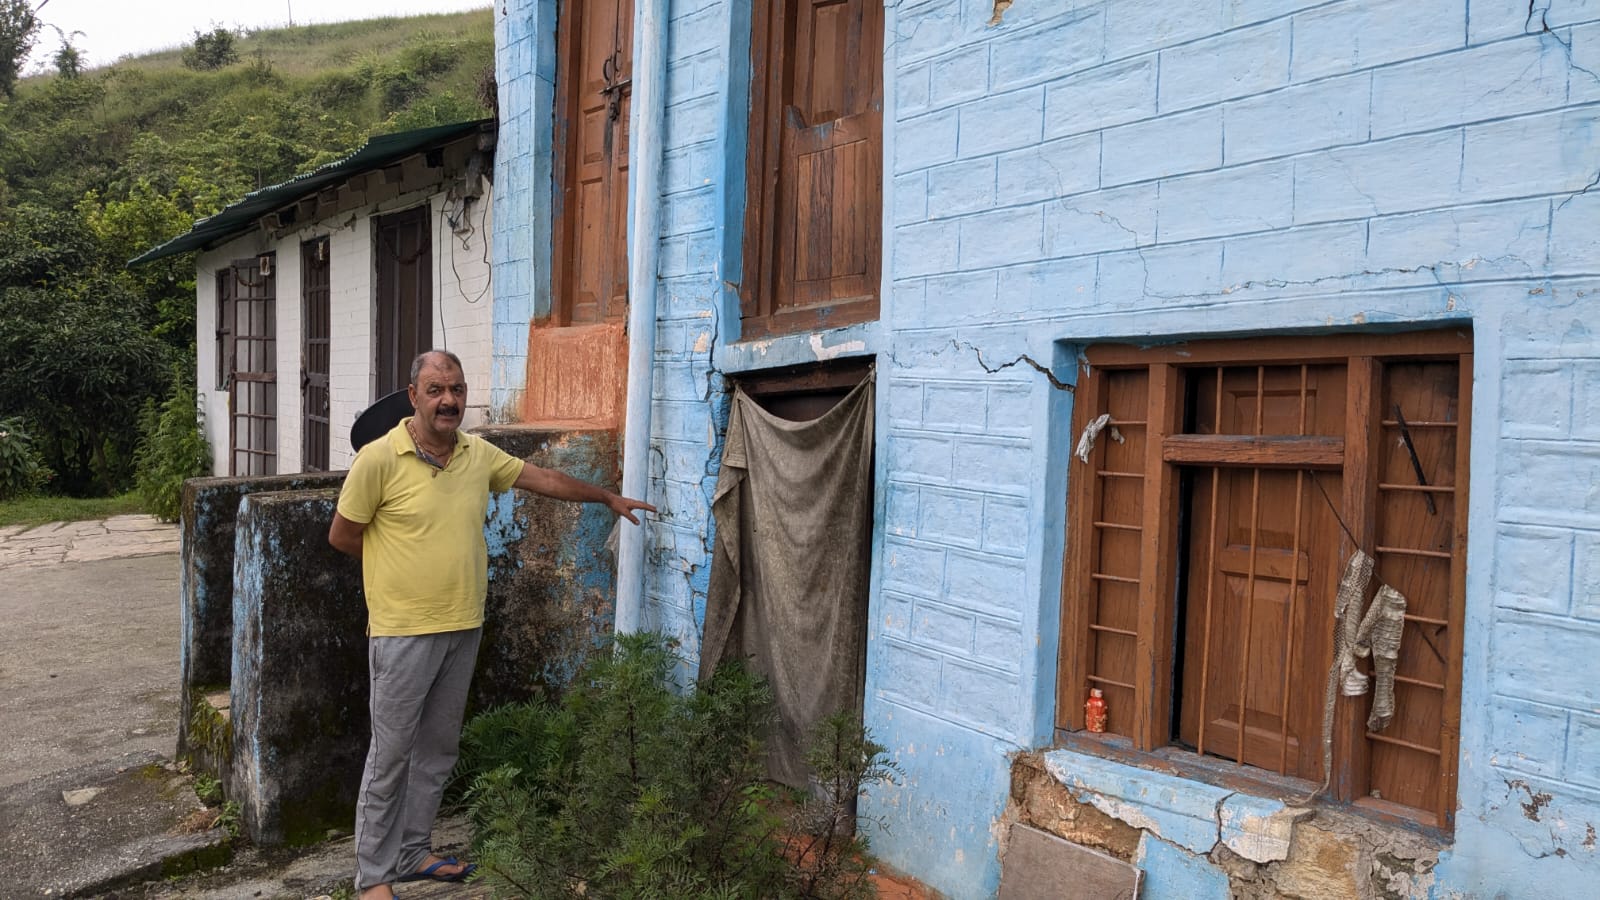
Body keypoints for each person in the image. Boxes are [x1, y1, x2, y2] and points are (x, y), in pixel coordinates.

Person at [329, 349, 654, 900]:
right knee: (390, 757)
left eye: (456, 389)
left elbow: (541, 478)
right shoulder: (379, 460)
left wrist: (604, 496)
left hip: (463, 624)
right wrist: (401, 563)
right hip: (403, 629)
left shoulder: (477, 455)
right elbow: (343, 534)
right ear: (414, 396)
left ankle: (412, 852)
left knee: (437, 750)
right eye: (435, 390)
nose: (448, 400)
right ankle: (373, 879)